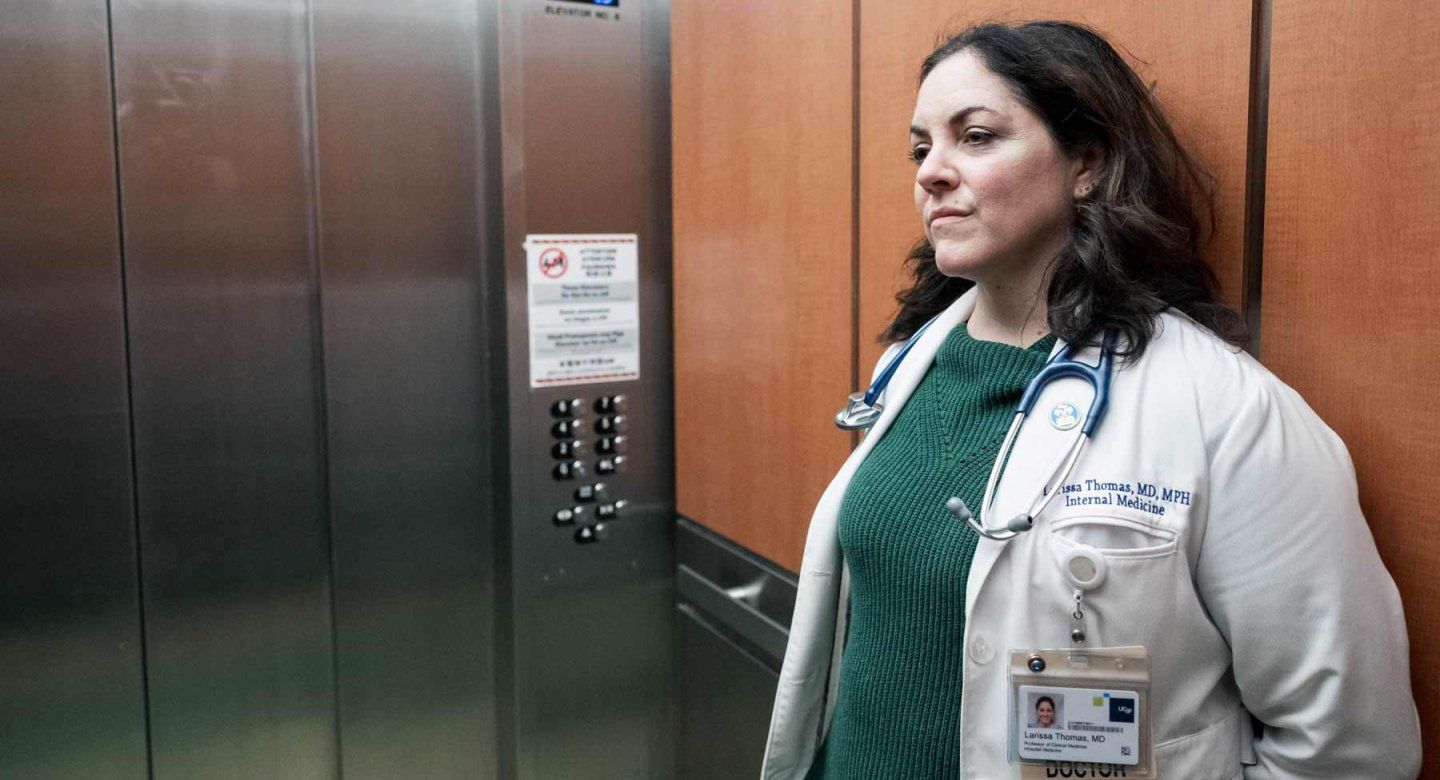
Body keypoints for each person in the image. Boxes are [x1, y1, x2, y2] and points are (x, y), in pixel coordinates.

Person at [760, 20, 1420, 779]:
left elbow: (1348, 745)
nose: (931, 173)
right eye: (921, 147)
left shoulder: (1221, 408)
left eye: (975, 137)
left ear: (1087, 162)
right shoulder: (910, 366)